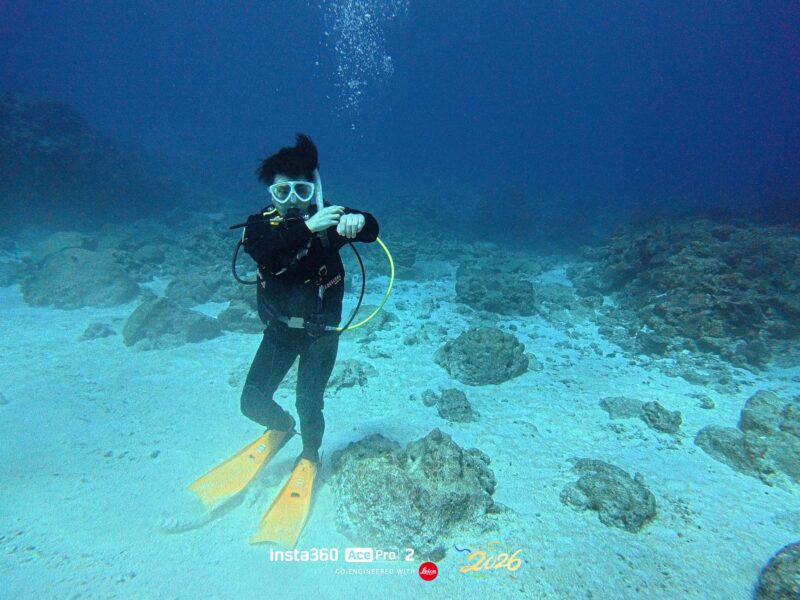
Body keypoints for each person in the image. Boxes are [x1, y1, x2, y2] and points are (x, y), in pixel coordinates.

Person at [240, 133, 379, 466]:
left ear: (313, 190)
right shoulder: (258, 227)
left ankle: (309, 454)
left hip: (321, 333)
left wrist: (358, 219)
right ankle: (282, 426)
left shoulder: (329, 221)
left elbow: (371, 229)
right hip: (279, 330)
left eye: (301, 191)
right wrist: (306, 228)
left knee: (309, 402)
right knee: (252, 402)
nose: (292, 201)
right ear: (270, 193)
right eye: (282, 192)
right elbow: (266, 255)